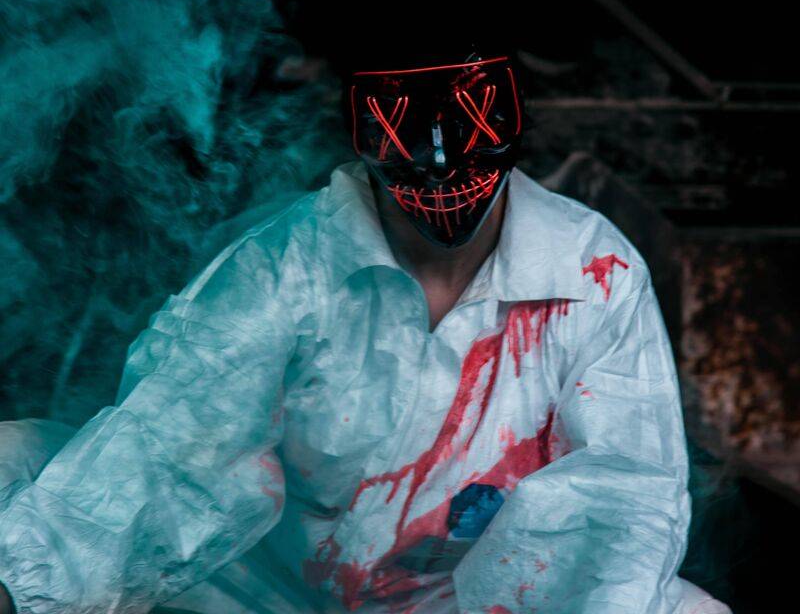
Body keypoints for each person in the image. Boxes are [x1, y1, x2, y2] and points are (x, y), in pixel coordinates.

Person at [0, 49, 732, 613]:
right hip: (267, 595)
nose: (441, 159)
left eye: (471, 114)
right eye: (406, 120)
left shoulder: (594, 272)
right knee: (17, 459)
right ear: (360, 126)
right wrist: (24, 587)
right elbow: (176, 449)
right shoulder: (285, 266)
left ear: (513, 111)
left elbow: (621, 500)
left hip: (463, 600)